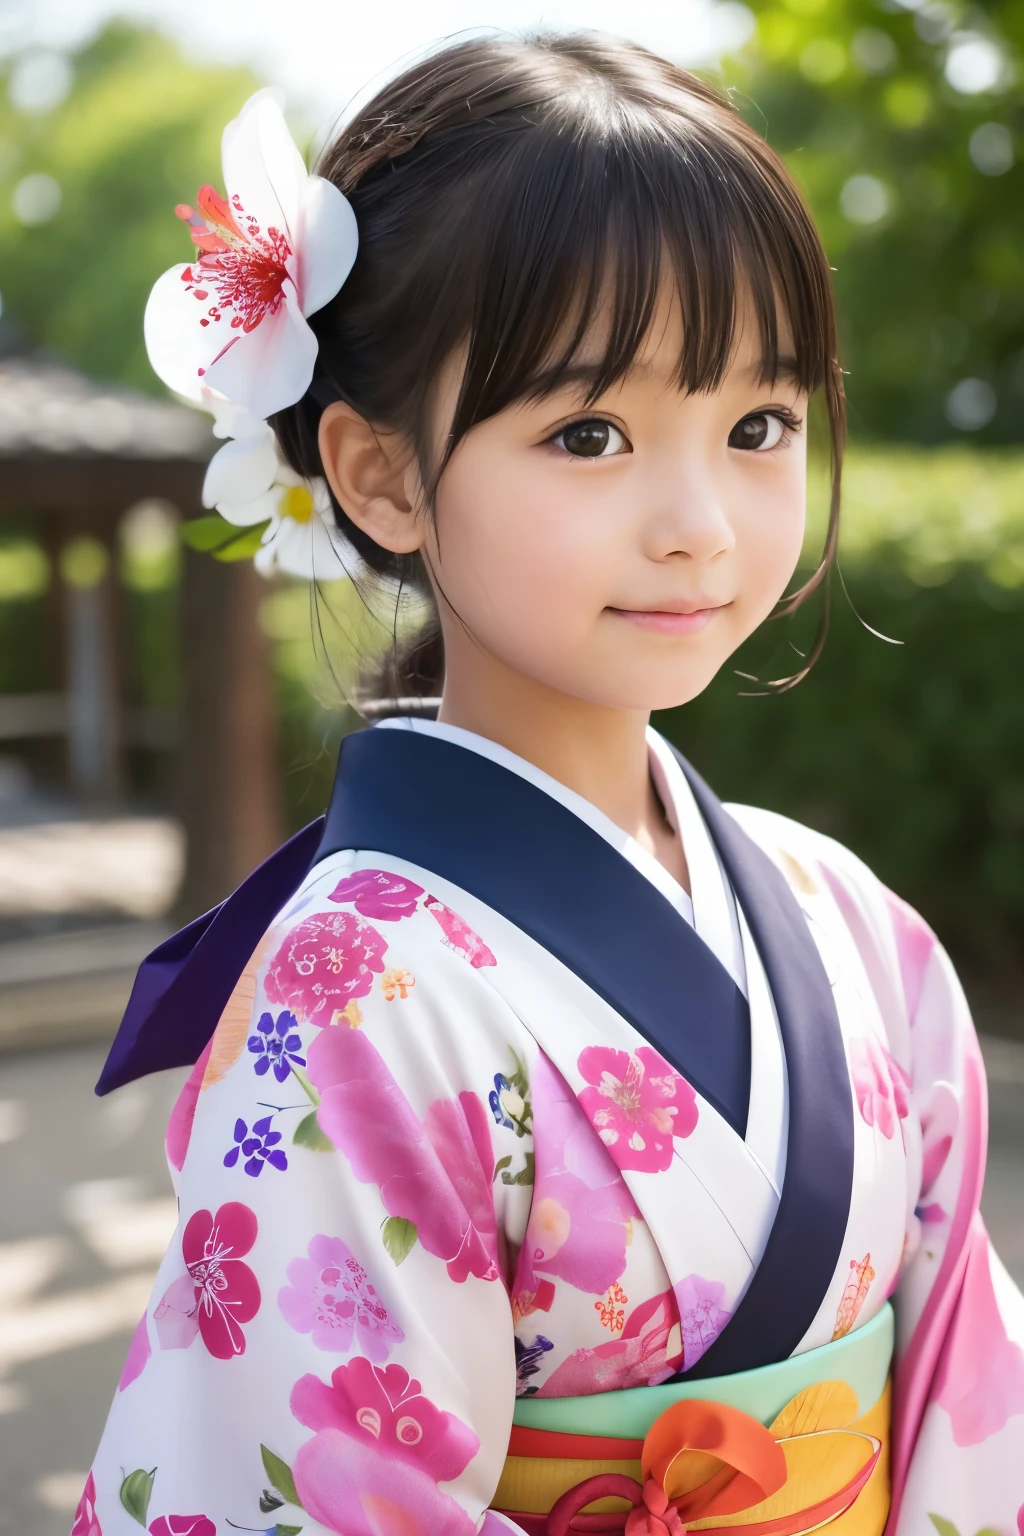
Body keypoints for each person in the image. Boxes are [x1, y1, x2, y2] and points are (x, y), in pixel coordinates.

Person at [76, 33, 1024, 1536]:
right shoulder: (349, 990)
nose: (702, 523)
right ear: (379, 476)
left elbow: (967, 1380)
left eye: (760, 425)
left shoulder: (844, 914)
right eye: (590, 433)